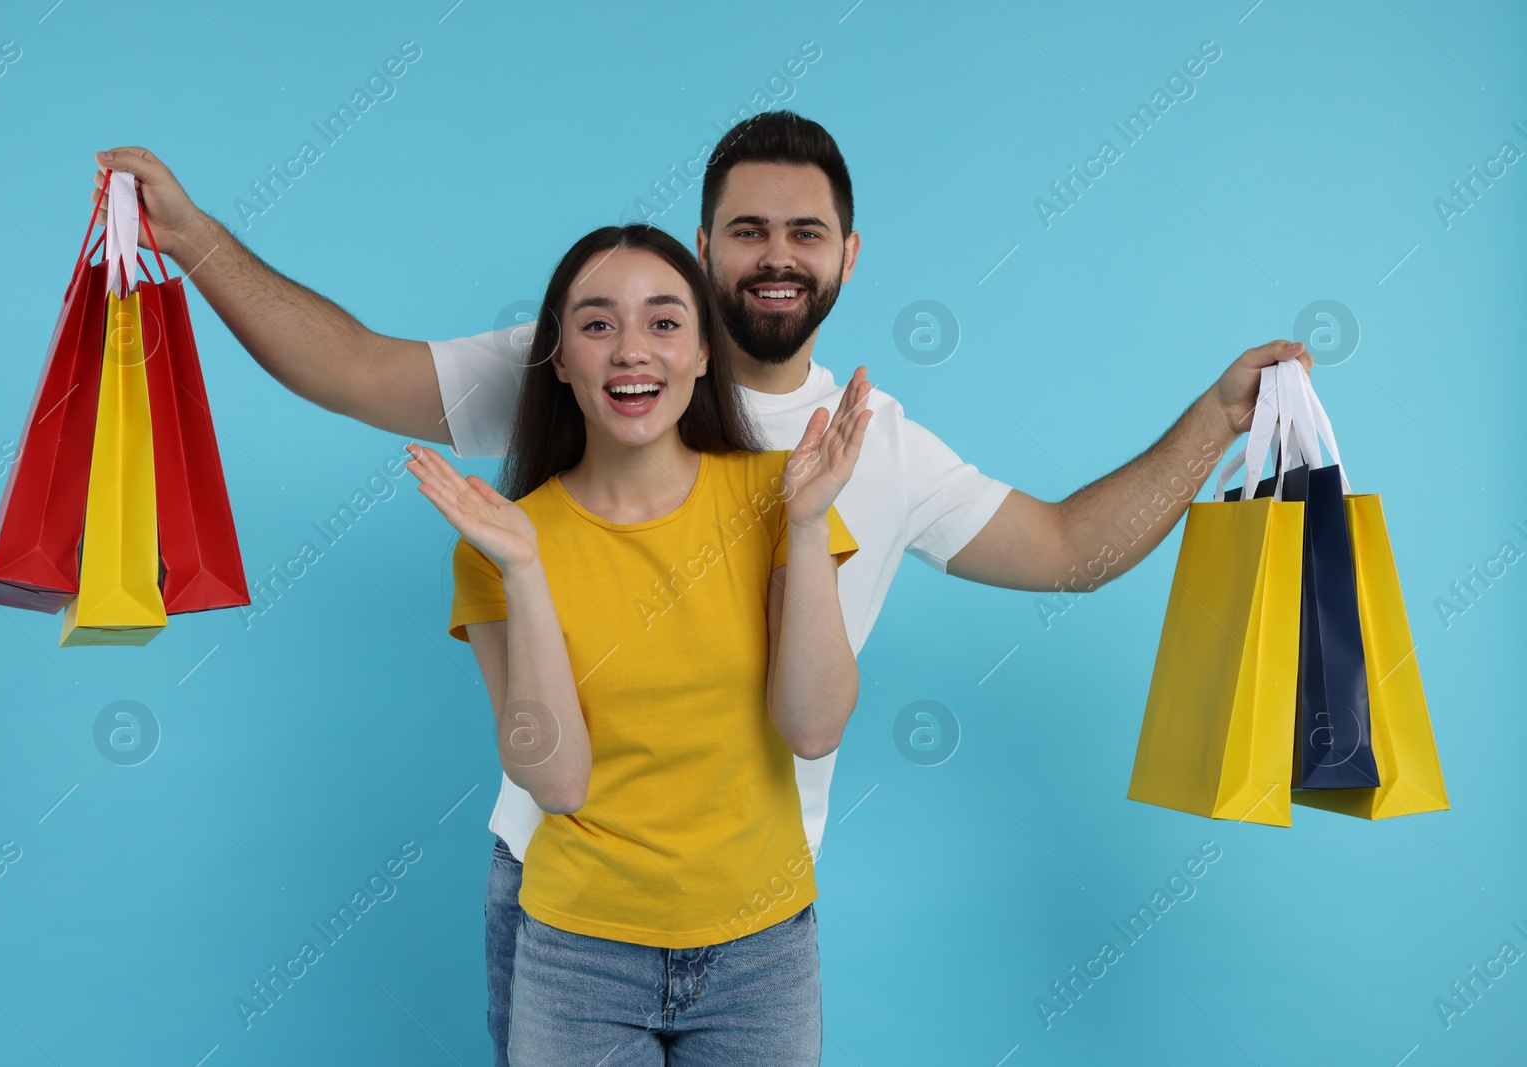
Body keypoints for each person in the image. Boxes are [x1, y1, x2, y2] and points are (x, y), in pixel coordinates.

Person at [92, 109, 1311, 1064]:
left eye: (804, 233)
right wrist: (195, 240)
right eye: (745, 231)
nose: (775, 258)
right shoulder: (586, 367)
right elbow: (354, 368)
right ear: (702, 242)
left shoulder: (870, 444)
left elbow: (1064, 552)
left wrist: (1211, 421)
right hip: (567, 884)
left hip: (756, 910)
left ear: (846, 255)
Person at [405, 222, 867, 1063]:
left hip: (760, 951)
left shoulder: (778, 496)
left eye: (663, 322)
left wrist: (803, 528)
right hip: (578, 953)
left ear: (702, 354)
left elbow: (813, 728)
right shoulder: (502, 538)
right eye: (595, 324)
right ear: (560, 359)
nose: (630, 352)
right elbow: (558, 780)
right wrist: (525, 569)